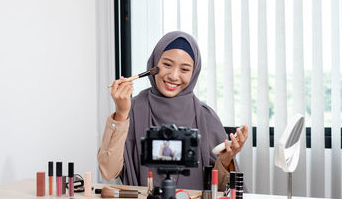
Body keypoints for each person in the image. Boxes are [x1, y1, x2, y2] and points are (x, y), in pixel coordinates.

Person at [97, 31, 248, 190]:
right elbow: (108, 172)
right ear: (154, 64)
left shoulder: (206, 117)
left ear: (194, 72)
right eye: (167, 65)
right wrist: (121, 113)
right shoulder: (131, 109)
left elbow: (223, 191)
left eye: (184, 69)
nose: (174, 76)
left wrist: (225, 160)